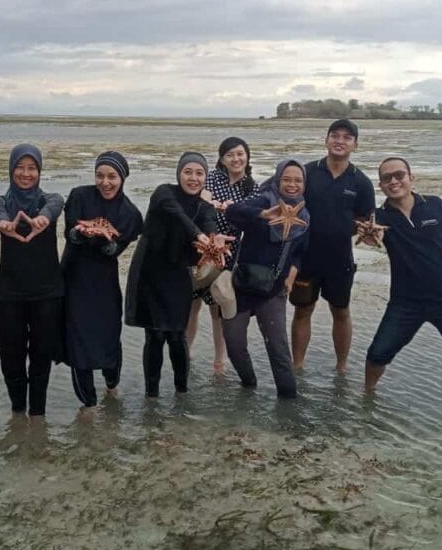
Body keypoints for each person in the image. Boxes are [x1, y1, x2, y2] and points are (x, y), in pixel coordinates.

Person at [359, 157, 442, 418]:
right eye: (387, 178)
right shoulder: (381, 217)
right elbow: (373, 235)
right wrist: (370, 236)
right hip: (405, 302)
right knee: (378, 352)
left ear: (412, 178)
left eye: (399, 175)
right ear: (381, 185)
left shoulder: (435, 205)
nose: (394, 181)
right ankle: (367, 395)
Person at [125, 152, 221, 397]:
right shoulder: (163, 192)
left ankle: (182, 392)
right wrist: (197, 235)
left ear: (205, 177)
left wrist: (213, 241)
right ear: (179, 173)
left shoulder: (206, 207)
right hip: (150, 273)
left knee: (178, 335)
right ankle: (151, 395)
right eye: (187, 172)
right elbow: (176, 214)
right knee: (154, 335)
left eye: (199, 173)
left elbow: (210, 226)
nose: (193, 178)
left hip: (178, 275)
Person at [289, 118, 376, 373]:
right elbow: (285, 199)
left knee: (341, 311)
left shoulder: (361, 182)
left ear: (355, 145)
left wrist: (369, 233)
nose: (340, 141)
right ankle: (297, 366)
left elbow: (367, 221)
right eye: (335, 136)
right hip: (305, 257)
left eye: (347, 137)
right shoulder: (307, 172)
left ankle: (342, 366)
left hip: (340, 259)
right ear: (325, 140)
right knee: (303, 310)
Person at [221, 159, 310, 398]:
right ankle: (248, 387)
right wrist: (262, 214)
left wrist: (291, 275)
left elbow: (299, 253)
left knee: (279, 349)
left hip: (273, 289)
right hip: (242, 284)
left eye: (298, 180)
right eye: (287, 179)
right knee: (235, 344)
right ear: (278, 179)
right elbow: (232, 212)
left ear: (304, 183)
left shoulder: (304, 215)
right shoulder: (263, 199)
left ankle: (289, 405)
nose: (292, 185)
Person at [62, 151, 143, 409]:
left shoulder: (130, 213)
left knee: (109, 337)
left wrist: (110, 245)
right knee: (77, 343)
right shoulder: (79, 196)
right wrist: (78, 233)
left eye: (112, 176)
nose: (105, 182)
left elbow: (118, 247)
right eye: (100, 175)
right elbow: (68, 232)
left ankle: (112, 387)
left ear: (122, 178)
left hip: (105, 283)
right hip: (73, 279)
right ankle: (88, 405)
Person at [0, 144, 65, 418]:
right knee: (11, 360)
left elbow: (56, 205)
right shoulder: (1, 203)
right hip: (9, 294)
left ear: (40, 171)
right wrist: (5, 224)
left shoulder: (49, 200)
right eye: (20, 167)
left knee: (41, 361)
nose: (25, 173)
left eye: (32, 168)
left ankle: (38, 415)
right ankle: (17, 414)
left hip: (47, 294)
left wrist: (42, 219)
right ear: (11, 170)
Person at [186, 137, 259, 373]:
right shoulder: (211, 178)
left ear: (247, 156)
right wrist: (208, 202)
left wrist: (232, 210)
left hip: (228, 253)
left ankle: (220, 362)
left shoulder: (253, 187)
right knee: (192, 304)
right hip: (201, 246)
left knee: (218, 305)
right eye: (230, 155)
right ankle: (185, 355)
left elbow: (252, 219)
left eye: (240, 154)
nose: (236, 159)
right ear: (221, 159)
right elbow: (195, 200)